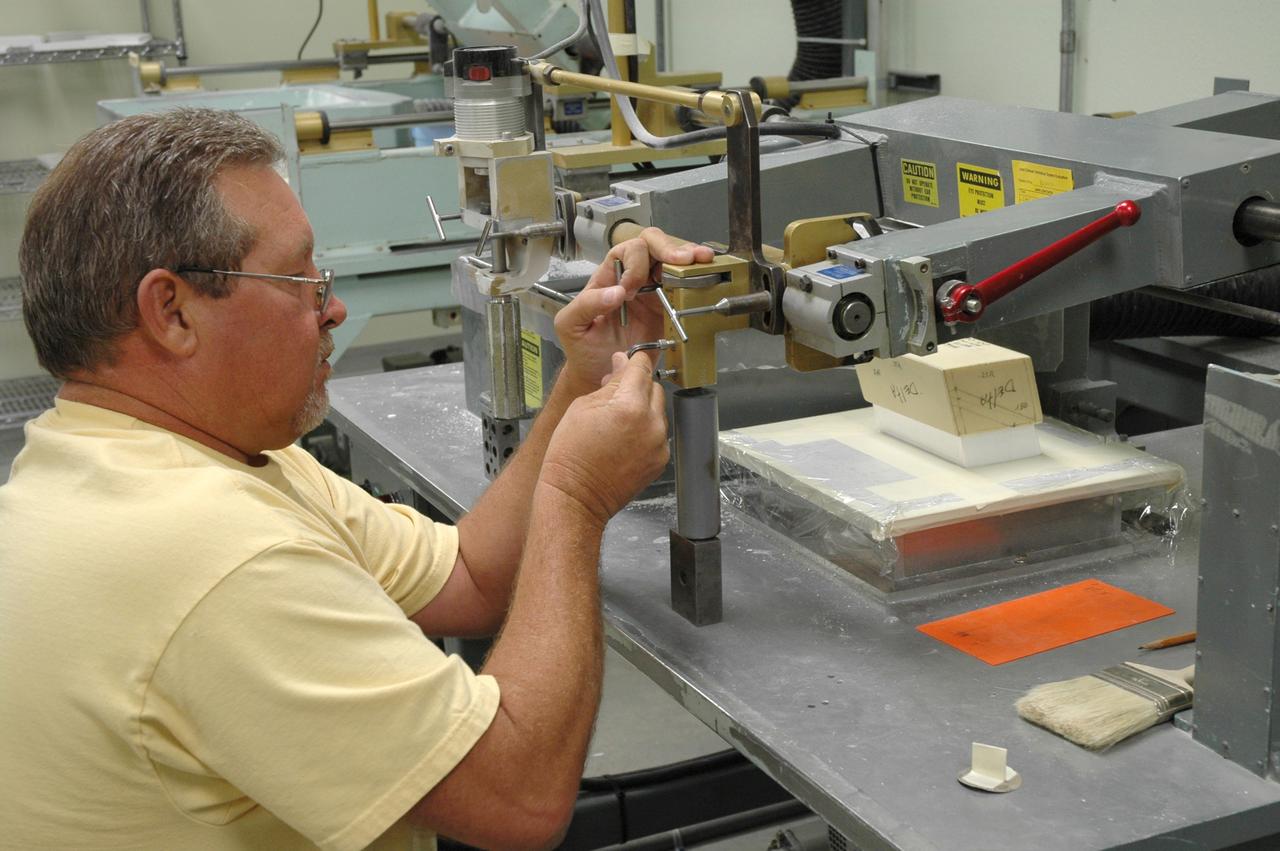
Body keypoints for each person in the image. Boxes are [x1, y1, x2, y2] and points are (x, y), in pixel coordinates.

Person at [0, 107, 714, 851]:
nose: (332, 306)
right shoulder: (212, 552)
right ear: (171, 311)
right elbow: (520, 794)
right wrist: (578, 496)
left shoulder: (132, 461)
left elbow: (467, 573)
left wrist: (582, 380)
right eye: (299, 279)